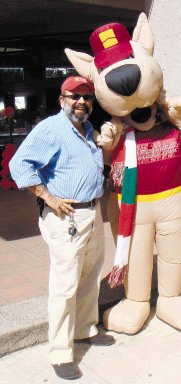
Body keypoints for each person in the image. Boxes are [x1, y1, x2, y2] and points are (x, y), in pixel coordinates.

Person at [9, 76, 115, 380]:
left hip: (91, 214)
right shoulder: (51, 129)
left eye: (86, 97)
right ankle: (60, 352)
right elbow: (19, 165)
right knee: (64, 287)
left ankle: (84, 329)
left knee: (90, 275)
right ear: (62, 99)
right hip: (66, 218)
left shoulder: (86, 130)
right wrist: (47, 197)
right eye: (74, 96)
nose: (81, 102)